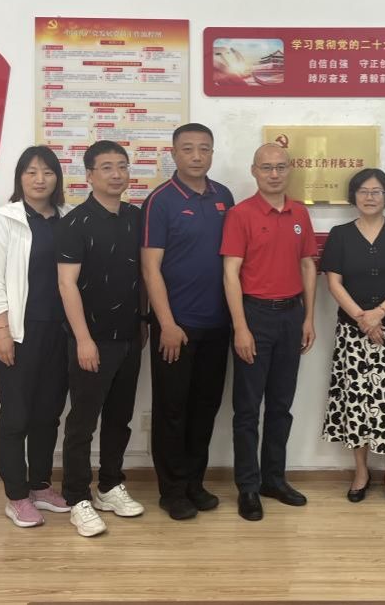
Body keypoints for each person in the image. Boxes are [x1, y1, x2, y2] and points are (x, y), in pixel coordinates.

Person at [141, 123, 235, 521]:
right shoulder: (160, 201)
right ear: (174, 154)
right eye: (188, 149)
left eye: (204, 149)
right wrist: (166, 323)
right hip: (176, 328)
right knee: (172, 410)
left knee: (205, 408)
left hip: (217, 324)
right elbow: (150, 268)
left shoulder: (224, 196)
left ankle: (195, 483)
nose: (197, 156)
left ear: (212, 153)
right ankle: (173, 490)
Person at [221, 142, 318, 521]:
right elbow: (230, 273)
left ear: (289, 169)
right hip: (255, 317)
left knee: (281, 406)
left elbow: (308, 265)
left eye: (280, 167)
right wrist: (240, 328)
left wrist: (308, 318)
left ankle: (273, 480)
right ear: (254, 171)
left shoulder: (300, 213)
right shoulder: (240, 214)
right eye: (266, 167)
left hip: (291, 316)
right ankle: (248, 486)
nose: (274, 174)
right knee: (247, 409)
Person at [56, 140, 147, 537]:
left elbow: (144, 275)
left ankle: (110, 485)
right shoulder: (74, 223)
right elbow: (66, 284)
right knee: (82, 422)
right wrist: (83, 339)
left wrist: (143, 323)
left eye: (122, 166)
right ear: (90, 175)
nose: (116, 174)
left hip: (129, 336)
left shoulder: (136, 217)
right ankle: (77, 497)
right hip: (91, 340)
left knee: (119, 418)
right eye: (107, 167)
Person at [0, 145, 73, 528]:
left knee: (48, 415)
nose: (40, 179)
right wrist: (1, 331)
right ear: (20, 178)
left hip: (60, 332)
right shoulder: (6, 219)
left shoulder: (67, 218)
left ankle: (40, 485)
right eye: (31, 172)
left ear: (57, 178)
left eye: (47, 172)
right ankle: (16, 496)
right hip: (20, 333)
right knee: (16, 417)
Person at [320, 168, 385, 504]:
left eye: (376, 191)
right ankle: (361, 471)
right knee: (357, 401)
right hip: (354, 334)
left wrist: (379, 313)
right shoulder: (340, 234)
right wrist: (363, 319)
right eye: (363, 191)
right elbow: (334, 283)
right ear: (353, 196)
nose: (369, 197)